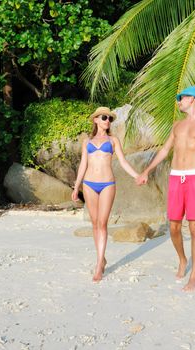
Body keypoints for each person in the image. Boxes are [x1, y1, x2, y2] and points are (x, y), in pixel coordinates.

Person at [136, 86, 195, 292]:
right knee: (173, 227)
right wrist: (147, 170)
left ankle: (194, 275)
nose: (178, 101)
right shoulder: (177, 126)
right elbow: (164, 150)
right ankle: (182, 259)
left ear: (192, 99)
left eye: (181, 98)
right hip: (175, 178)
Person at [72, 106, 139, 282]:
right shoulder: (87, 141)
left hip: (108, 184)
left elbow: (123, 162)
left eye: (109, 118)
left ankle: (99, 263)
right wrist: (76, 186)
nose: (107, 121)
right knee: (95, 224)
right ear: (95, 120)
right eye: (104, 117)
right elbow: (83, 165)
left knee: (102, 223)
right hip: (89, 184)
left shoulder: (114, 140)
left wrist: (137, 175)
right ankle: (101, 258)